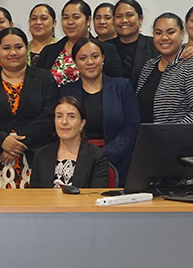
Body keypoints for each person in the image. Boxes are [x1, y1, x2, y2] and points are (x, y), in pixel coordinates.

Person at [0, 28, 59, 187]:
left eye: (18, 47)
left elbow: (49, 116)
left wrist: (16, 144)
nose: (13, 52)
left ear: (27, 49)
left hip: (36, 156)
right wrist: (2, 141)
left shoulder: (44, 78)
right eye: (6, 48)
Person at [57, 38, 140, 186]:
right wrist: (83, 156)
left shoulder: (122, 87)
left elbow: (132, 127)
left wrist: (104, 155)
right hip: (77, 161)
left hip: (118, 162)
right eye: (82, 58)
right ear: (75, 62)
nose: (90, 62)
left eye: (95, 56)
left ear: (103, 58)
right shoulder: (66, 91)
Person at [135, 13, 193, 124]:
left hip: (179, 139)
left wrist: (171, 134)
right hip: (146, 138)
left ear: (182, 34)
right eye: (158, 33)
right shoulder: (149, 66)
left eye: (170, 32)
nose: (164, 37)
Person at [33, 0, 124, 84]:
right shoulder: (49, 51)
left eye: (76, 17)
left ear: (88, 20)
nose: (70, 22)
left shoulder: (107, 50)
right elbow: (38, 85)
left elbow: (116, 85)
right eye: (65, 18)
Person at [30, 96, 111, 188]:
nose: (64, 122)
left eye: (71, 117)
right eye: (59, 116)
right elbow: (35, 195)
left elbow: (96, 195)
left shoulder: (97, 156)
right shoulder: (42, 154)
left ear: (82, 124)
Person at [111, 0, 154, 81]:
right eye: (119, 16)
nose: (124, 20)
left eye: (129, 15)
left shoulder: (154, 45)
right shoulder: (105, 47)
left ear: (140, 19)